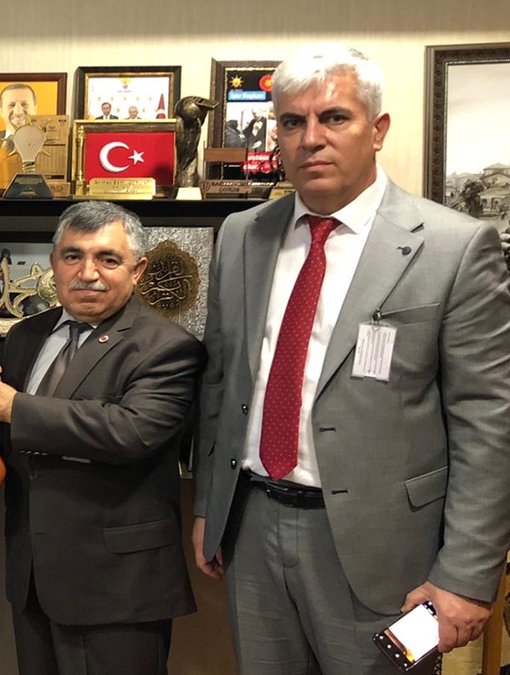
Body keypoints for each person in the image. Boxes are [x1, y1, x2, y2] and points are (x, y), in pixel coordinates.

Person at [192, 42, 510, 674]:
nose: (311, 138)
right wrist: (209, 506)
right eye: (292, 121)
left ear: (378, 129)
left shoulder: (454, 246)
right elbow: (220, 382)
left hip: (385, 551)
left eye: (334, 117)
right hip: (251, 528)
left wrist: (467, 573)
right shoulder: (242, 234)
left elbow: (488, 423)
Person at [0, 201, 203, 675]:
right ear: (54, 263)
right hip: (32, 576)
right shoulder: (25, 336)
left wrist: (12, 405)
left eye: (108, 259)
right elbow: (9, 432)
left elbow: (129, 431)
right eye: (73, 256)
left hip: (118, 585)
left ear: (137, 270)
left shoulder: (168, 347)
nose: (88, 273)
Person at [0, 82, 37, 153]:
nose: (18, 112)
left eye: (24, 104)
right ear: (1, 111)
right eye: (11, 105)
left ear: (35, 109)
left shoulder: (46, 143)